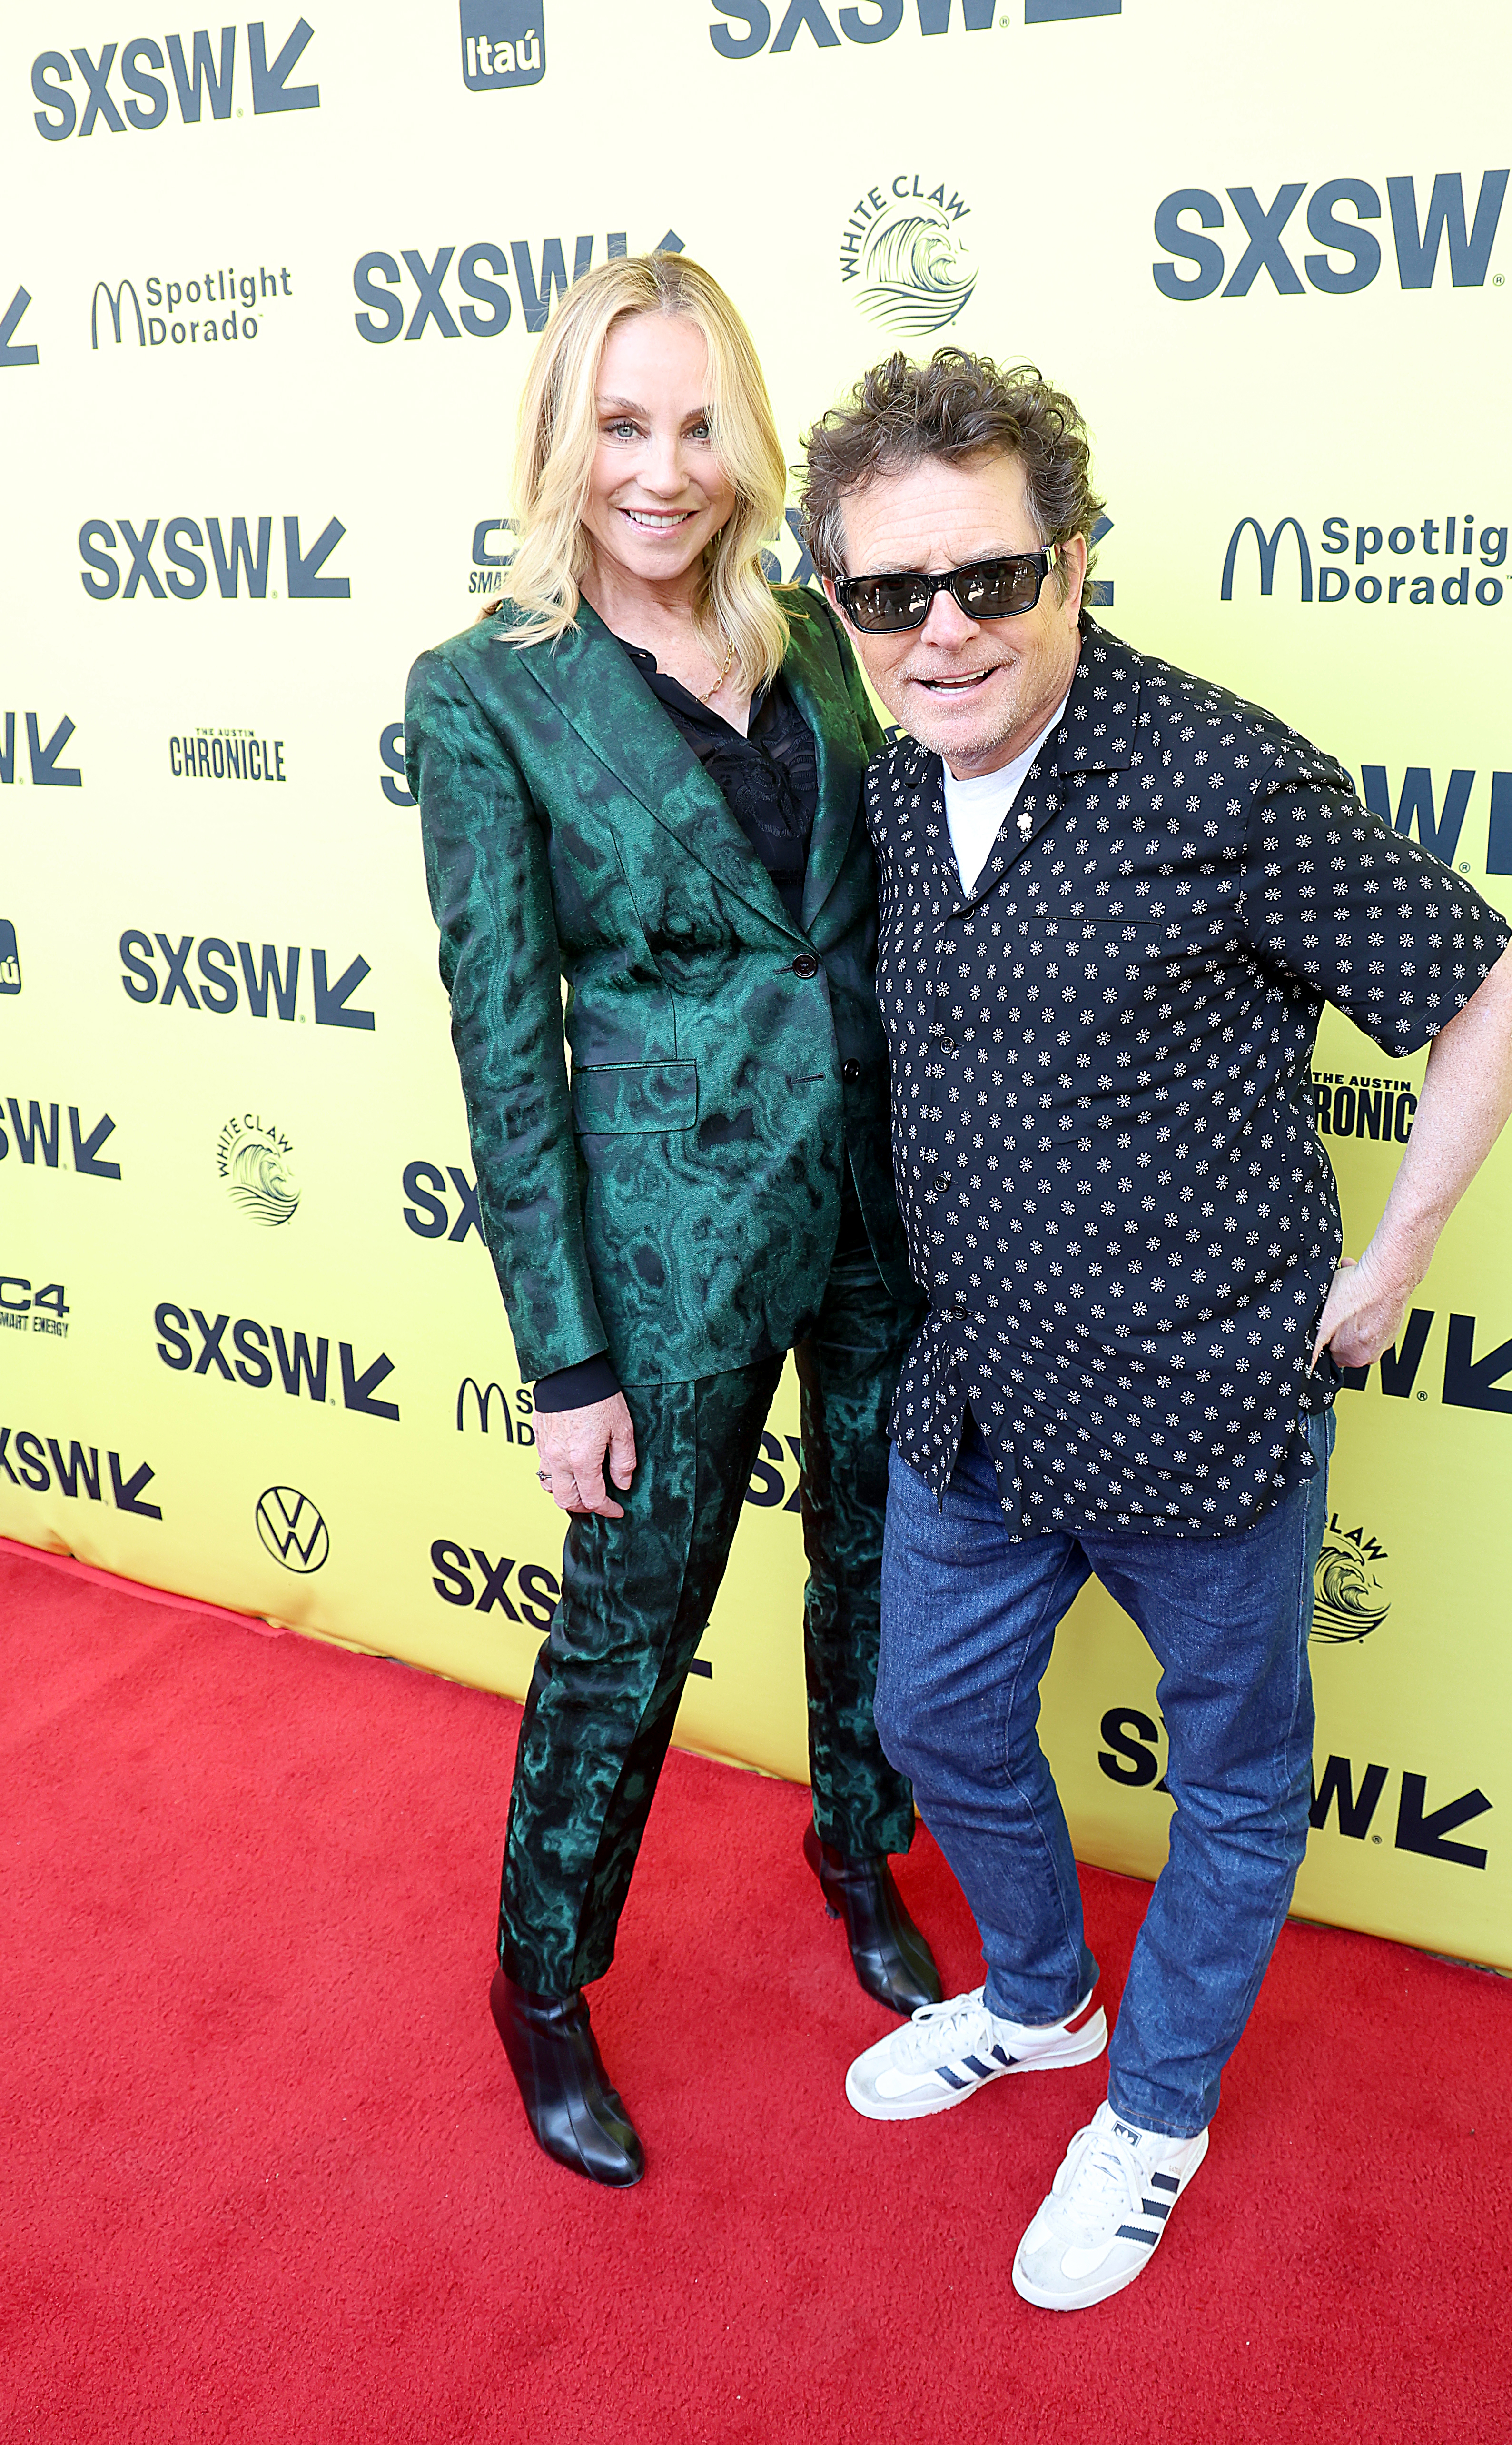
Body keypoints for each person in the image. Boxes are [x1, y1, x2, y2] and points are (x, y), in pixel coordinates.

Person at [797, 349, 1512, 2306]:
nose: (943, 630)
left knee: (1231, 1777)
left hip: (1208, 1403)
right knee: (934, 1719)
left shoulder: (1228, 775)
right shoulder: (891, 785)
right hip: (981, 1394)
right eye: (891, 597)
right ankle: (1040, 2001)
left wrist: (1382, 1274)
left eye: (991, 578)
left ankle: (1152, 2109)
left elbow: (1495, 993)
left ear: (1075, 561)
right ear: (842, 608)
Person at [405, 256, 939, 2190]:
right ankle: (542, 1979)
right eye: (623, 425)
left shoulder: (819, 638)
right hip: (662, 1252)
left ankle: (855, 1851)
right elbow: (499, 1044)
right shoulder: (485, 693)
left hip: (887, 1204)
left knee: (880, 1569)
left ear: (747, 438)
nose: (662, 469)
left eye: (699, 423)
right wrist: (566, 1358)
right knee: (631, 1633)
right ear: (563, 437)